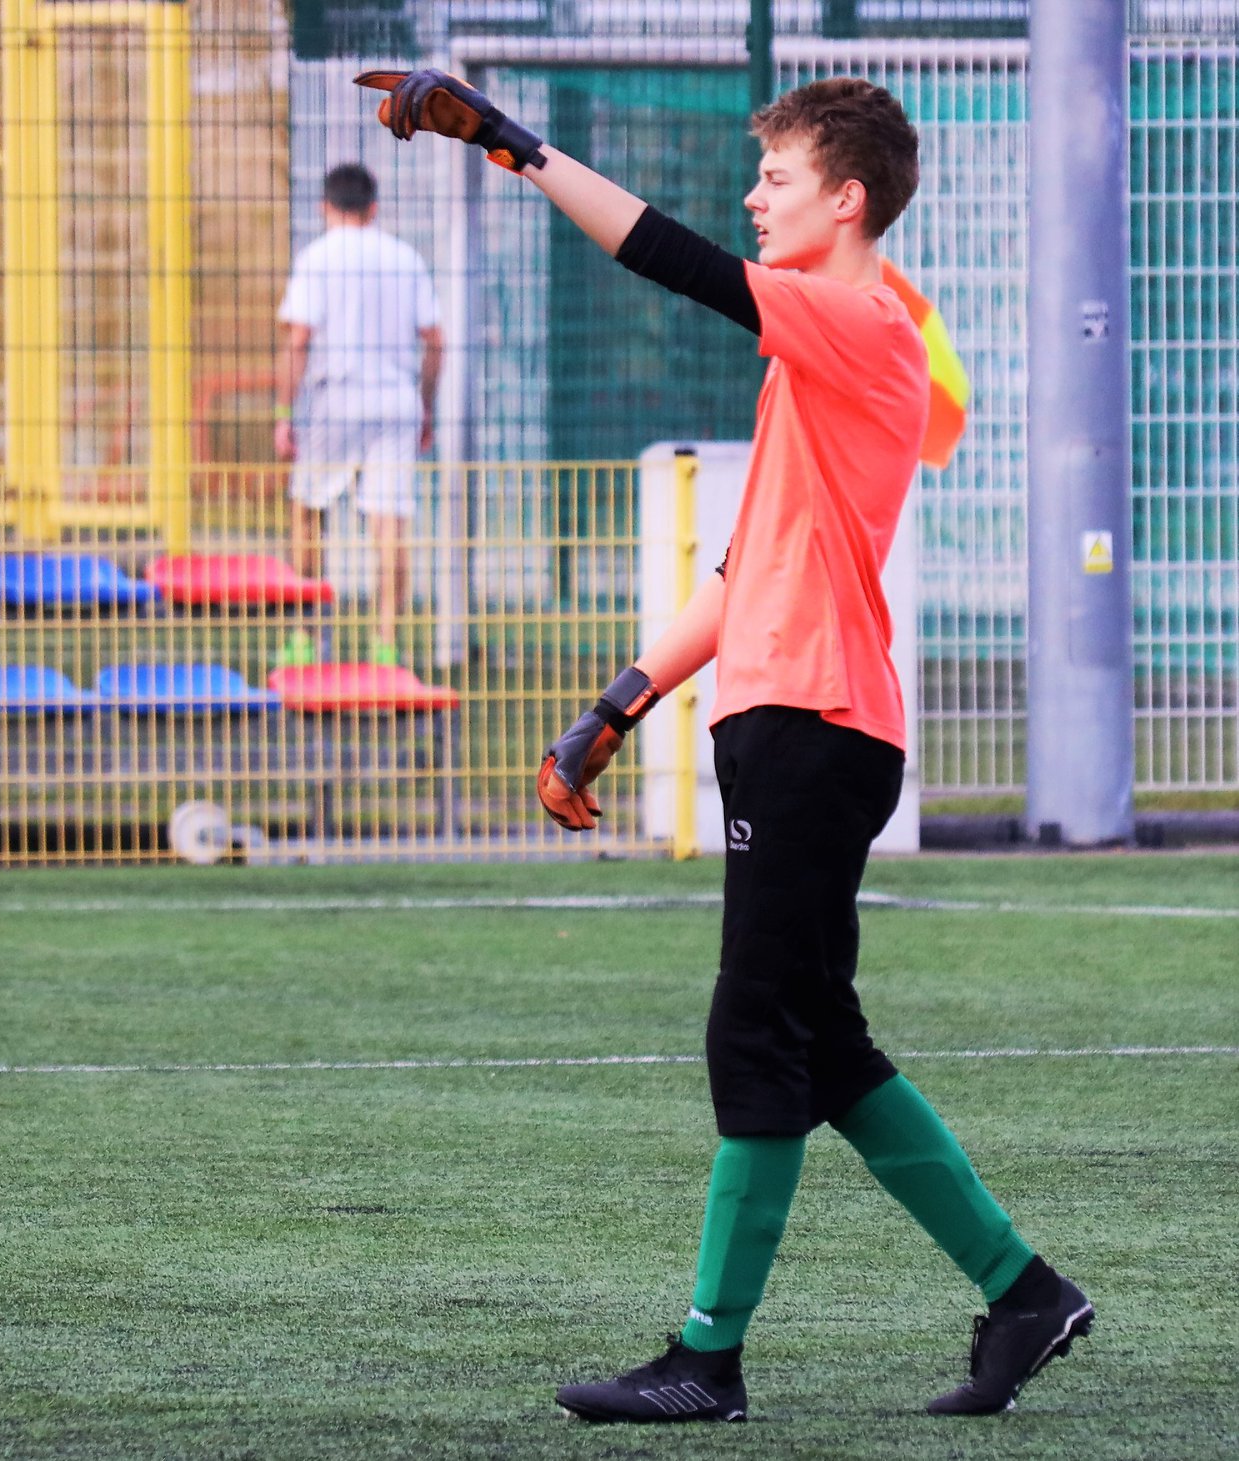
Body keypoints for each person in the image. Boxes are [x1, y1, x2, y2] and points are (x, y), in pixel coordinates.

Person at [360, 70, 1093, 1423]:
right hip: (787, 727)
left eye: (776, 177)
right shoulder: (814, 353)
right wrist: (612, 708)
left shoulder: (858, 319)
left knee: (754, 1033)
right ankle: (1024, 1293)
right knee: (821, 1045)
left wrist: (512, 144)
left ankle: (707, 1360)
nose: (753, 197)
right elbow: (739, 573)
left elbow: (669, 257)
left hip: (816, 728)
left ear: (845, 200)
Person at [273, 162, 443, 668]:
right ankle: (385, 643)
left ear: (325, 207)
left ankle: (307, 637)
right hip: (395, 401)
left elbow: (298, 341)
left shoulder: (316, 258)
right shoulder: (405, 258)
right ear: (373, 208)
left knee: (308, 512)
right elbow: (436, 340)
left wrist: (284, 413)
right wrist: (425, 407)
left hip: (334, 398)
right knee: (389, 523)